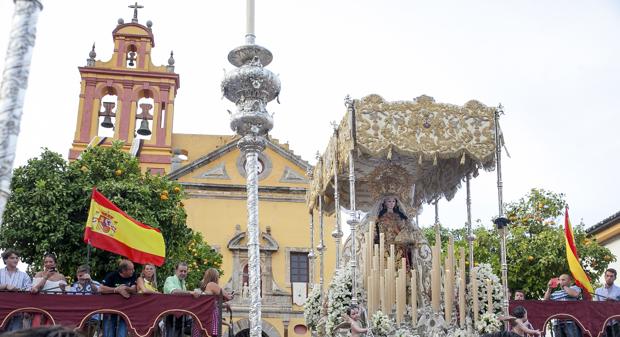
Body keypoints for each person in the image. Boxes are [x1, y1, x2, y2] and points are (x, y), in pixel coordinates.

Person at [99, 259, 137, 337]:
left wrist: (125, 288)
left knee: (122, 335)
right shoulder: (112, 275)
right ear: (123, 270)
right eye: (131, 269)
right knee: (108, 334)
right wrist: (116, 290)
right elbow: (100, 289)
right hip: (110, 311)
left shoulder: (133, 275)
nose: (133, 271)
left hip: (125, 312)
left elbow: (134, 289)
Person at [192, 268, 233, 337]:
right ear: (215, 276)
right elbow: (227, 296)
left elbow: (214, 303)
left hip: (203, 316)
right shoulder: (211, 284)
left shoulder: (206, 286)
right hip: (209, 317)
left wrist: (224, 304)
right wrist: (232, 295)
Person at [163, 262, 200, 337]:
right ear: (176, 271)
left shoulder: (183, 283)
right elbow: (174, 292)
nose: (183, 273)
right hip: (171, 315)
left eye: (185, 271)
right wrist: (191, 292)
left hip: (181, 316)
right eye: (181, 271)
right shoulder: (170, 279)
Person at [0, 249, 33, 331]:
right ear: (5, 260)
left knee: (16, 333)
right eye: (12, 258)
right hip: (1, 310)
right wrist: (5, 286)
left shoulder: (24, 275)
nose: (15, 260)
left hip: (17, 311)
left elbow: (29, 290)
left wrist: (20, 290)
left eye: (16, 258)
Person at [594, 268, 620, 337]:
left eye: (611, 276)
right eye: (607, 276)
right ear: (604, 277)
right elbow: (595, 306)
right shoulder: (598, 291)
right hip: (602, 323)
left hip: (616, 323)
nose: (609, 278)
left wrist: (614, 301)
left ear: (615, 278)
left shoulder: (619, 290)